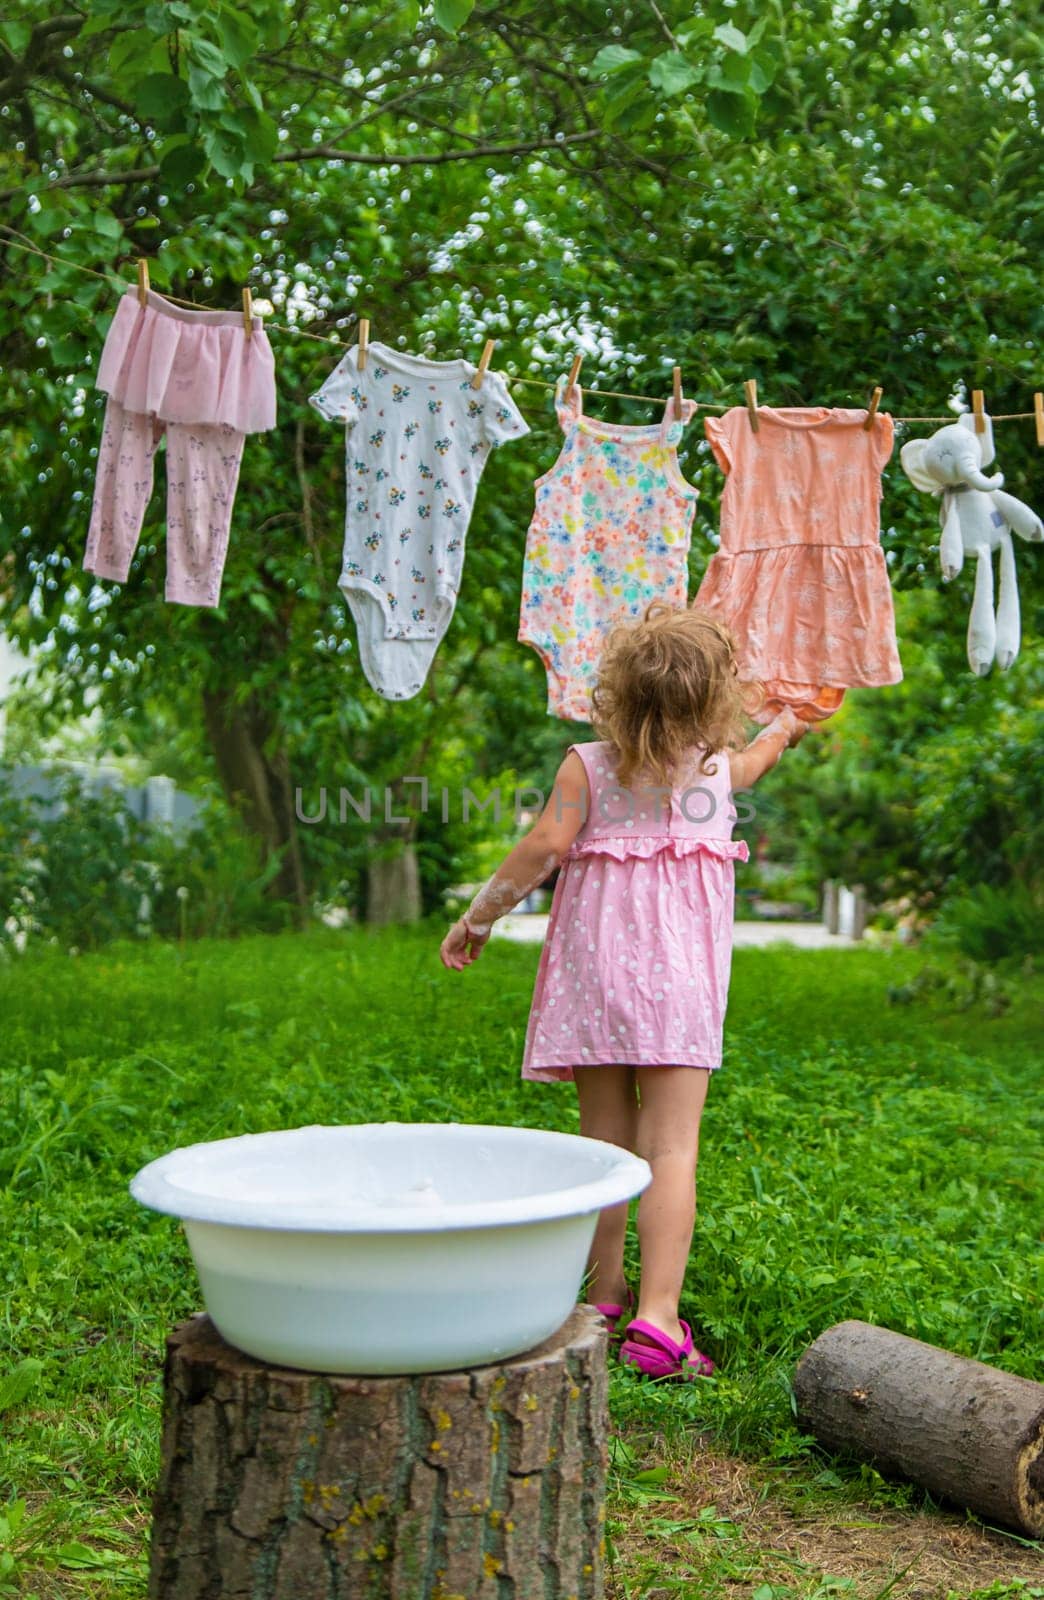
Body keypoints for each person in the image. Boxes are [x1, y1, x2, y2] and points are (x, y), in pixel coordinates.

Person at [439, 603, 809, 1379]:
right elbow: (754, 764)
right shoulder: (710, 773)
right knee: (671, 1148)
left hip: (594, 980)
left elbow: (542, 847)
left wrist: (477, 920)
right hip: (679, 990)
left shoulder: (587, 765)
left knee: (604, 1140)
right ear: (713, 699)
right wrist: (784, 729)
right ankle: (658, 1319)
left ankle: (602, 1294)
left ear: (617, 694)